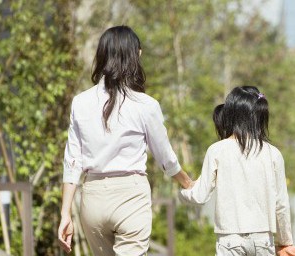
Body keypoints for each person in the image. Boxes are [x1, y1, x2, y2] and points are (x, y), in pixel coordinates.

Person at [57, 25, 193, 255]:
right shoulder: (146, 105)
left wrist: (65, 213)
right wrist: (188, 183)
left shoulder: (80, 102)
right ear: (135, 55)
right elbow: (166, 158)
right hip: (131, 195)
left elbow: (72, 162)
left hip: (93, 198)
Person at [180, 86, 293, 255]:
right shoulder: (273, 154)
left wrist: (182, 191)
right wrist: (285, 241)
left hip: (229, 238)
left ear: (230, 114)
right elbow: (281, 204)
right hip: (263, 239)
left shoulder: (217, 150)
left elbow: (200, 195)